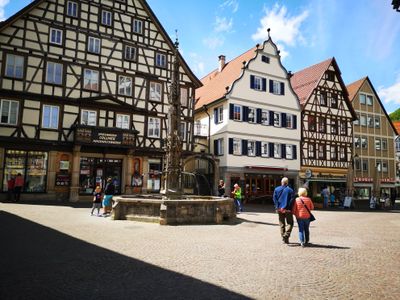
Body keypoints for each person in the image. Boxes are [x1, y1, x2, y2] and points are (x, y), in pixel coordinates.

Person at [273, 177, 294, 244]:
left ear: (281, 182)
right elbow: (292, 200)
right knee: (290, 223)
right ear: (287, 183)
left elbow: (274, 199)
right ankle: (286, 235)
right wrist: (288, 208)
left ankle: (284, 238)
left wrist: (277, 206)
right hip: (287, 209)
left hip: (279, 209)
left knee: (282, 224)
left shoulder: (276, 189)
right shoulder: (290, 190)